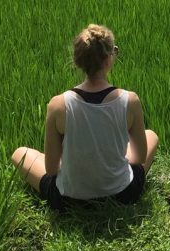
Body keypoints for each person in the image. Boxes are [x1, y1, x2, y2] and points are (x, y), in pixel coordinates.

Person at [11, 24, 159, 211]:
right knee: (151, 135)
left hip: (69, 199)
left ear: (78, 60)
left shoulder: (58, 104)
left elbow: (51, 169)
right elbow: (138, 157)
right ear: (108, 60)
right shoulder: (130, 100)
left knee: (20, 153)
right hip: (122, 194)